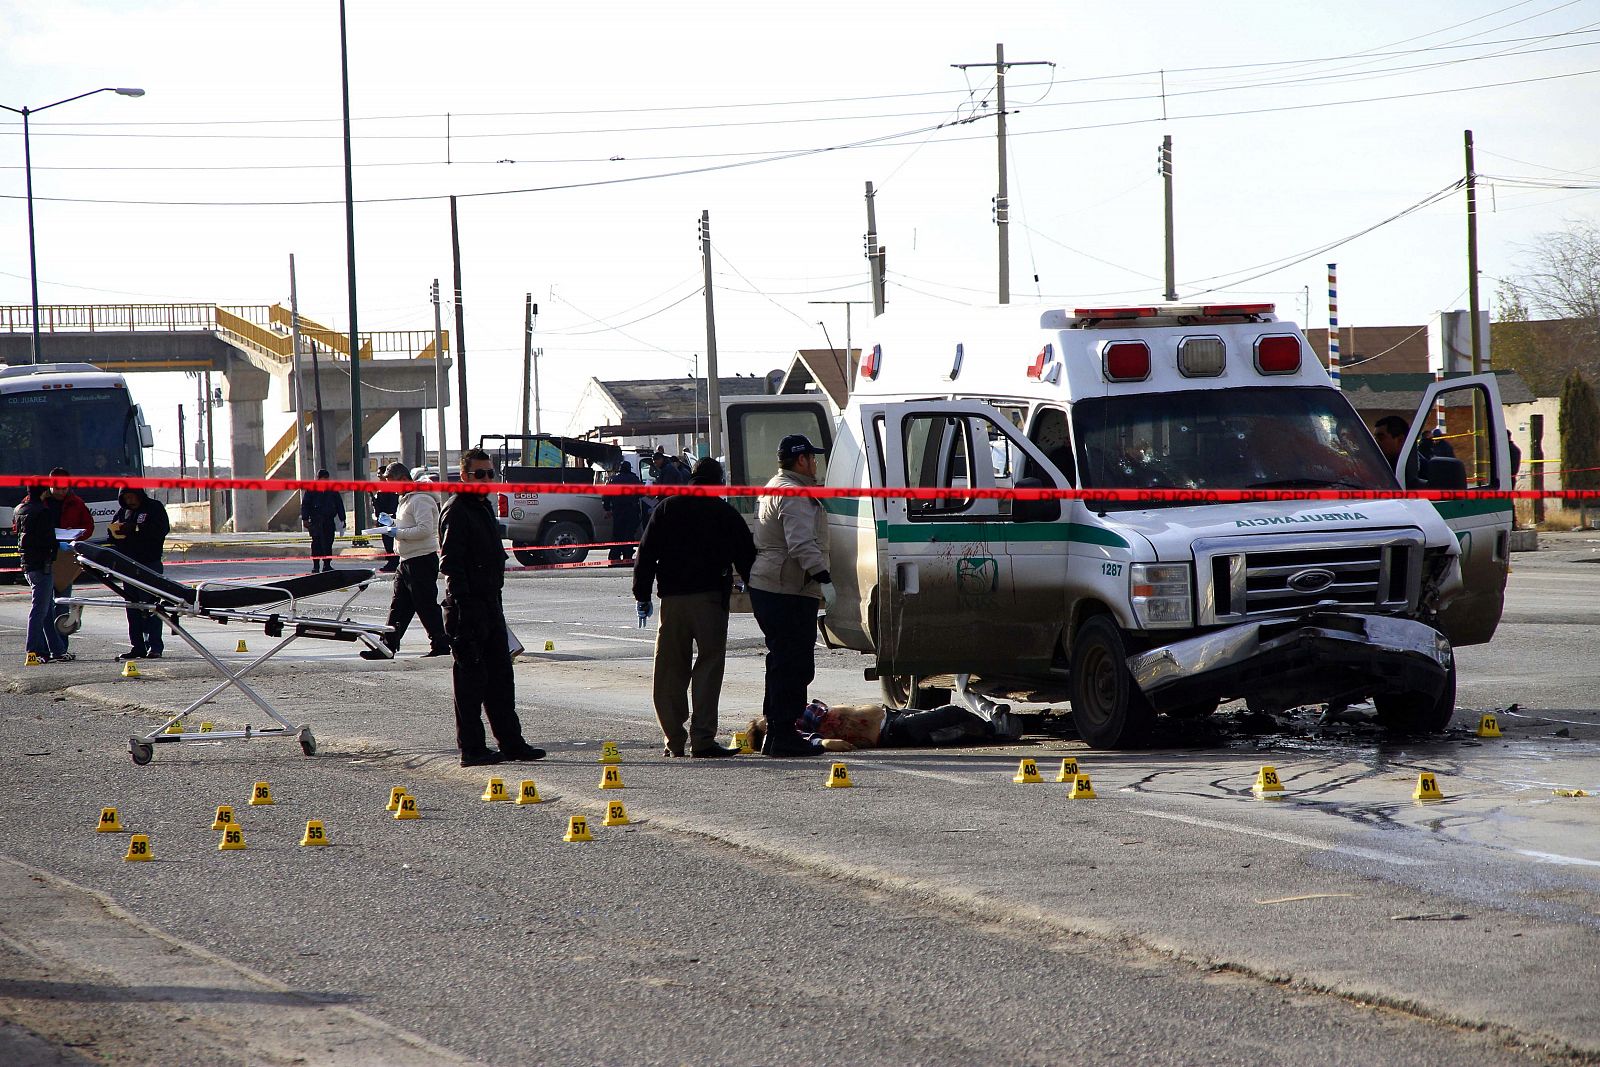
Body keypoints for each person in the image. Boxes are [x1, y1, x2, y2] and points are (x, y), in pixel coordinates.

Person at [633, 457, 757, 758]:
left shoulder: (666, 508)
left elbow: (646, 554)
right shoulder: (724, 512)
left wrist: (642, 595)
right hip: (710, 601)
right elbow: (747, 557)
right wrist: (757, 591)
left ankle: (673, 741)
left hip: (672, 601)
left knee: (669, 670)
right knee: (709, 667)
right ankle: (702, 739)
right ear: (718, 482)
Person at [439, 448, 545, 768]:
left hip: (490, 604)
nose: (486, 479)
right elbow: (451, 564)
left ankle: (512, 743)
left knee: (501, 679)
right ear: (464, 476)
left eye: (490, 474)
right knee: (472, 683)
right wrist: (465, 606)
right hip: (466, 607)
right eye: (479, 474)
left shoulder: (483, 508)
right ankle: (471, 749)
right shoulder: (456, 510)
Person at [748, 434, 832, 757]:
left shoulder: (777, 485)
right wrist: (824, 578)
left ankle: (776, 731)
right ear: (802, 460)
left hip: (776, 586)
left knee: (782, 661)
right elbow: (800, 544)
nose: (815, 465)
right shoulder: (794, 493)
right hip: (787, 590)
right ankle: (782, 733)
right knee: (793, 663)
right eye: (812, 458)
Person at [362, 463, 450, 660]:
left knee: (425, 604)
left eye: (390, 482)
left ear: (402, 479)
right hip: (407, 559)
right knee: (399, 606)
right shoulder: (406, 498)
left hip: (421, 559)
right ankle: (387, 646)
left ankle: (441, 643)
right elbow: (409, 525)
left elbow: (425, 529)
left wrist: (397, 532)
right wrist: (392, 524)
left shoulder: (420, 499)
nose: (388, 487)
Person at [750, 699, 999, 753]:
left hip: (890, 716)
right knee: (952, 715)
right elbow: (810, 740)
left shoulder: (794, 710)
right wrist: (825, 742)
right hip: (891, 732)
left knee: (956, 726)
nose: (768, 718)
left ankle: (992, 727)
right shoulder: (792, 729)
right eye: (765, 724)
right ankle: (995, 729)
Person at [109, 486, 170, 661]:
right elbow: (113, 533)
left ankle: (154, 646)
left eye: (132, 497)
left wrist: (135, 529)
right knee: (133, 607)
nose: (130, 501)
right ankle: (137, 646)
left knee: (151, 605)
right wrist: (115, 533)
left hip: (149, 563)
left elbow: (161, 530)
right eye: (126, 498)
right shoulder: (123, 512)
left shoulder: (153, 508)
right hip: (128, 566)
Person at [15, 485, 69, 663]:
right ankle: (34, 650)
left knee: (46, 611)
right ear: (43, 492)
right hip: (42, 564)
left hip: (28, 563)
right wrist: (55, 549)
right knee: (40, 609)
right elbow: (47, 538)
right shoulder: (42, 511)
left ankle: (57, 650)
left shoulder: (20, 509)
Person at [47, 467, 94, 656]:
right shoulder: (38, 502)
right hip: (44, 557)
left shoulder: (76, 503)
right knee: (44, 606)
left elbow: (88, 526)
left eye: (63, 489)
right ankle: (47, 648)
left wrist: (76, 538)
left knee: (62, 604)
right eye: (56, 488)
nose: (60, 492)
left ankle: (61, 648)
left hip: (66, 559)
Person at [300, 469, 345, 573]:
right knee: (316, 544)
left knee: (328, 543)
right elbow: (305, 505)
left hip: (329, 520)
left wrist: (342, 519)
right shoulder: (311, 490)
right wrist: (305, 519)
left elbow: (339, 504)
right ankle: (316, 566)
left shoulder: (332, 490)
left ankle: (327, 565)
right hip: (316, 521)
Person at [604, 459, 644, 565]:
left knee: (617, 535)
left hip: (618, 511)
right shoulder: (634, 479)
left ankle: (614, 558)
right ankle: (627, 558)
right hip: (631, 510)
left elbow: (606, 496)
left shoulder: (613, 480)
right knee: (629, 535)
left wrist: (607, 509)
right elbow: (642, 493)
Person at [373, 465, 401, 573]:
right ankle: (391, 561)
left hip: (391, 520)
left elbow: (392, 506)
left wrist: (389, 518)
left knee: (391, 542)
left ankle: (394, 562)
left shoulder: (391, 490)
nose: (379, 477)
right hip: (383, 520)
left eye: (381, 475)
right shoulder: (381, 489)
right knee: (387, 543)